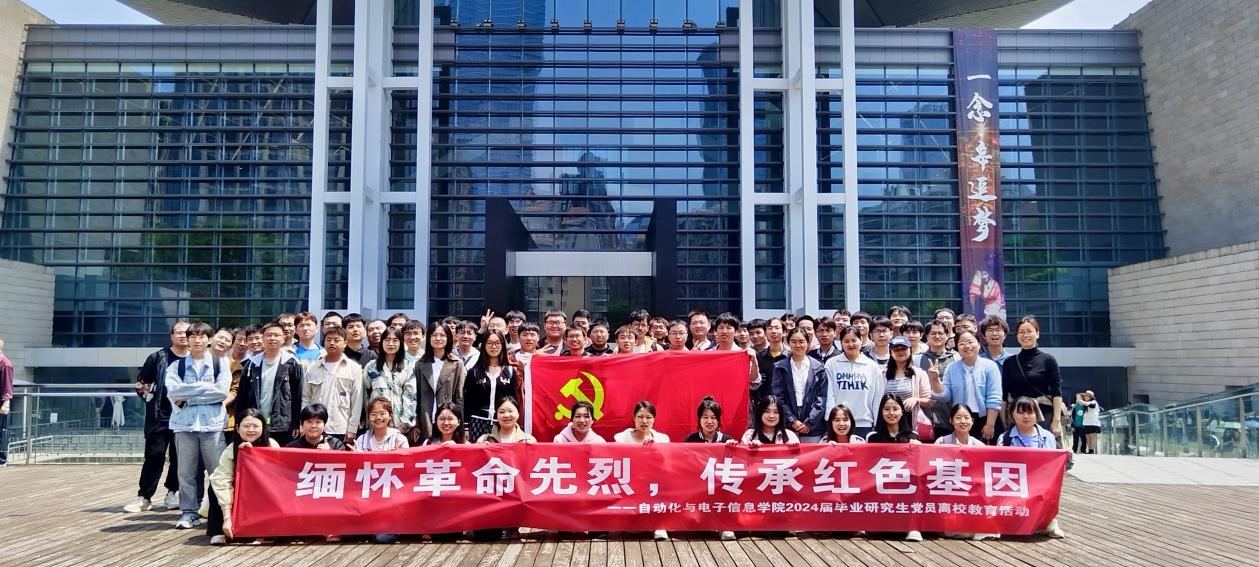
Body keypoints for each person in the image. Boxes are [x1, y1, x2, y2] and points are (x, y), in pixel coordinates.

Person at [164, 321, 231, 530]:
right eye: (192, 336)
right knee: (186, 472)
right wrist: (204, 387)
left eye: (201, 336)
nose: (196, 340)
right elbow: (173, 392)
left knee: (217, 472)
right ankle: (189, 512)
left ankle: (220, 513)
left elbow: (221, 393)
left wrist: (189, 395)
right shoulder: (176, 366)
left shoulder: (220, 364)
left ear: (209, 340)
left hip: (212, 425)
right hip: (184, 425)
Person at [125, 321, 188, 513]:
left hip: (185, 419)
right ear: (172, 336)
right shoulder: (158, 357)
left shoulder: (196, 359)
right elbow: (141, 384)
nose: (183, 336)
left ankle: (173, 493)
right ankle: (144, 496)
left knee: (180, 458)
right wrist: (152, 402)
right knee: (154, 456)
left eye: (187, 333)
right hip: (159, 417)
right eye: (179, 332)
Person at [997, 397, 1066, 538]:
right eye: (1021, 412)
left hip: (1041, 485)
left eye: (1030, 412)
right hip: (1015, 485)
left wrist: (1068, 456)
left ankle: (1049, 523)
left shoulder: (1048, 437)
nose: (1026, 416)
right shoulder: (1005, 438)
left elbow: (1063, 464)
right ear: (1012, 414)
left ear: (1036, 414)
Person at [207, 408, 277, 545]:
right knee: (214, 484)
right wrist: (227, 517)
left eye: (255, 426)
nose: (251, 430)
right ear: (238, 428)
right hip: (238, 492)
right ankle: (218, 530)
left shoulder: (272, 445)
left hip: (262, 492)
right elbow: (221, 479)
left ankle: (263, 532)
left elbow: (276, 478)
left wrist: (253, 455)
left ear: (263, 428)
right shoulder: (231, 449)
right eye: (246, 426)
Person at [236, 321, 304, 446]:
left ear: (283, 338)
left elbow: (298, 396)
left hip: (282, 424)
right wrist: (239, 421)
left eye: (276, 335)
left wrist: (296, 423)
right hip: (255, 424)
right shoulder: (252, 364)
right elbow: (242, 396)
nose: (272, 338)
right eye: (268, 335)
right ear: (263, 338)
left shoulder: (292, 363)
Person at [864, 394, 922, 542]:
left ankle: (913, 527)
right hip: (880, 484)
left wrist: (918, 448)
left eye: (895, 409)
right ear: (881, 411)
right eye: (887, 409)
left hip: (906, 485)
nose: (891, 413)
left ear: (902, 411)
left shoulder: (913, 436)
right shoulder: (873, 437)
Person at [928, 330, 1002, 444]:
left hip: (985, 419)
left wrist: (990, 424)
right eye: (962, 343)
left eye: (970, 342)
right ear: (957, 348)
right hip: (961, 419)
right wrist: (935, 380)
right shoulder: (952, 368)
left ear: (978, 344)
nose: (967, 346)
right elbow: (945, 396)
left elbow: (994, 397)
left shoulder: (990, 366)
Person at [1002, 316, 1064, 445]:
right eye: (1021, 332)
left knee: (1044, 449)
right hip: (1017, 414)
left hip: (1043, 414)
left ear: (1037, 333)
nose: (1025, 335)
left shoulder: (1049, 360)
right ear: (1017, 336)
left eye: (1029, 331)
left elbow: (1057, 393)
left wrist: (1056, 421)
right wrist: (1004, 421)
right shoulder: (1009, 362)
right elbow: (1004, 395)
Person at [614, 400, 670, 541]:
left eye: (648, 417)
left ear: (654, 419)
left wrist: (655, 448)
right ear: (634, 418)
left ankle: (660, 525)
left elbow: (667, 466)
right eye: (640, 417)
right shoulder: (621, 439)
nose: (644, 421)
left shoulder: (662, 439)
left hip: (654, 483)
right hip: (630, 482)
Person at [301, 327, 364, 446]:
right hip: (314, 428)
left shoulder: (354, 369)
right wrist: (303, 424)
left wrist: (352, 429)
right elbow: (306, 398)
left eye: (336, 340)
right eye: (328, 340)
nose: (332, 343)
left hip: (340, 427)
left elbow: (357, 400)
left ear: (345, 343)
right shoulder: (313, 368)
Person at [823, 325, 885, 438]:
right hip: (839, 423)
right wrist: (830, 419)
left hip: (864, 423)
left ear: (861, 340)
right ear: (841, 343)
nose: (851, 344)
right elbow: (829, 394)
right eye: (846, 341)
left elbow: (878, 398)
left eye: (854, 340)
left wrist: (878, 424)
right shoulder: (831, 364)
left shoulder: (872, 366)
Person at [772, 328, 829, 442]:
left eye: (801, 341)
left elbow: (822, 397)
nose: (798, 345)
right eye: (793, 341)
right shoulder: (780, 367)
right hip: (787, 425)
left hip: (813, 426)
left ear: (808, 343)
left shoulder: (818, 367)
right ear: (788, 343)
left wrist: (810, 422)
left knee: (812, 453)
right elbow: (778, 396)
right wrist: (792, 420)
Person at [414, 322, 467, 442]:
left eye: (442, 335)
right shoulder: (420, 364)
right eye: (434, 335)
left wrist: (460, 425)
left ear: (448, 338)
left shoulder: (457, 364)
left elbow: (459, 397)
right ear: (429, 338)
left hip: (447, 421)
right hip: (425, 418)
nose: (438, 338)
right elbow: (416, 396)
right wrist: (416, 423)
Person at [366, 327, 418, 444]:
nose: (391, 344)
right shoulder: (371, 367)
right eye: (387, 340)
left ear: (401, 343)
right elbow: (366, 396)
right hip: (376, 425)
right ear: (381, 342)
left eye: (395, 340)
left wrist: (403, 426)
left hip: (400, 427)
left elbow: (411, 397)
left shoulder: (409, 367)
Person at [464, 330, 519, 440]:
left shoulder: (509, 372)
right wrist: (466, 427)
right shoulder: (474, 372)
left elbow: (514, 399)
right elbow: (467, 401)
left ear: (503, 345)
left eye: (497, 343)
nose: (493, 346)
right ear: (484, 345)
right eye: (489, 343)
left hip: (501, 422)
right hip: (477, 422)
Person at [884, 336, 934, 441]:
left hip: (910, 421)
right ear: (890, 352)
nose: (900, 352)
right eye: (896, 349)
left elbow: (929, 401)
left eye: (904, 349)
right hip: (889, 420)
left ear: (910, 350)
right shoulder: (883, 374)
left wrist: (916, 399)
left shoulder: (919, 373)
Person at [1079, 390, 1102, 454]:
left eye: (1087, 396)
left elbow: (1088, 404)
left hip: (1093, 423)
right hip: (1086, 423)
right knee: (1088, 437)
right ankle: (1089, 450)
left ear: (1090, 397)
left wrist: (1080, 400)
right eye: (1085, 396)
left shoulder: (1093, 402)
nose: (1085, 397)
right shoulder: (1085, 404)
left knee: (1092, 437)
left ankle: (1092, 450)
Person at [0, 339, 9, 467]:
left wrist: (6, 402)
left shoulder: (5, 364)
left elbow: (7, 385)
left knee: (1, 431)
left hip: (1, 403)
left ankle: (1, 460)